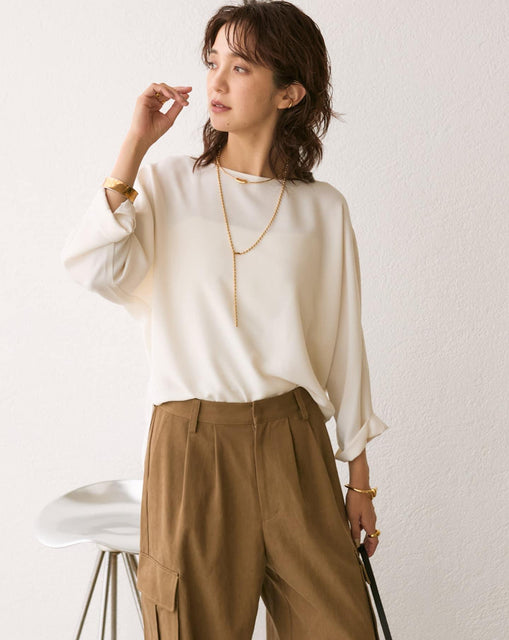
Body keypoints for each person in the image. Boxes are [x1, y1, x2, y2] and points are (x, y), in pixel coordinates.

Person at [60, 1, 390, 638]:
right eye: (213, 62)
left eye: (240, 67)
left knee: (340, 626)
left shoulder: (322, 210)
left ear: (290, 92)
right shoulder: (167, 185)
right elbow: (93, 266)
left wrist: (359, 482)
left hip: (296, 444)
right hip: (193, 448)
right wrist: (134, 145)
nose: (216, 81)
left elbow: (345, 346)